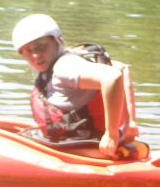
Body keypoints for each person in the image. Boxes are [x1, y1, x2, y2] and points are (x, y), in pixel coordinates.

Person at [11, 13, 145, 159]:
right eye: (27, 51)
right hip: (77, 141)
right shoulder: (60, 62)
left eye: (40, 47)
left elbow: (112, 77)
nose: (35, 56)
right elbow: (121, 68)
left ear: (57, 41)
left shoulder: (65, 67)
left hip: (89, 146)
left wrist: (111, 134)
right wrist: (130, 122)